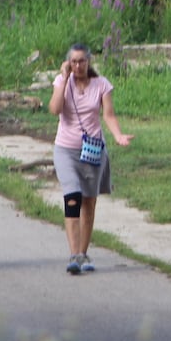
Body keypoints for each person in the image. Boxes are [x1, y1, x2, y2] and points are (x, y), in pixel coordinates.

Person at [49, 43, 132, 276]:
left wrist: (118, 135)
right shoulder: (62, 82)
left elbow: (109, 115)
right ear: (68, 63)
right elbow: (55, 109)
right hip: (66, 149)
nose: (78, 66)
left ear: (89, 62)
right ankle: (74, 254)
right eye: (73, 62)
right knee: (72, 195)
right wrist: (64, 79)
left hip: (93, 150)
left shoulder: (101, 84)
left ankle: (83, 253)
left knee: (89, 202)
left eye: (82, 61)